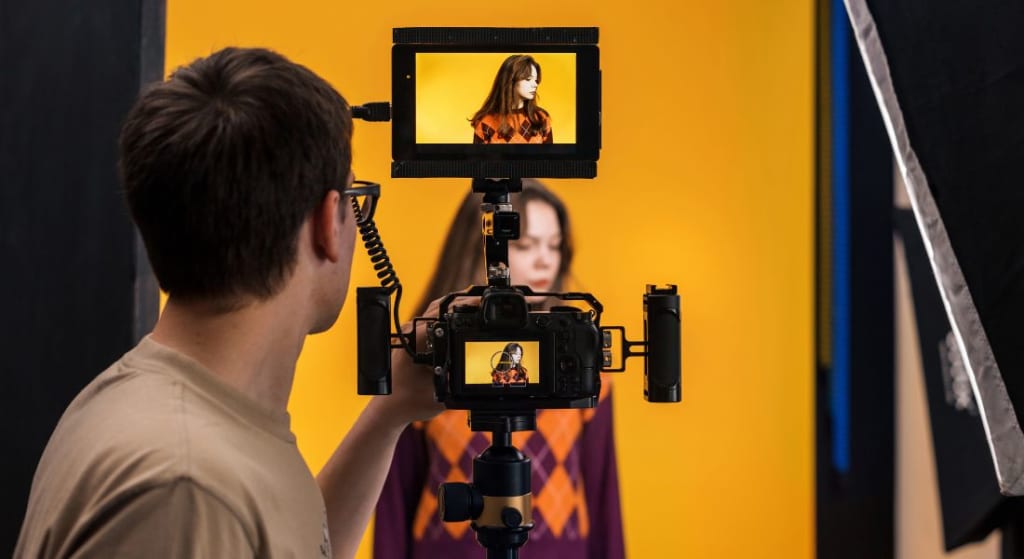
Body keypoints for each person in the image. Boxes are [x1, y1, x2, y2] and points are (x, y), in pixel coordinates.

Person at [15, 47, 441, 559]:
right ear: (329, 222)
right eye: (356, 200)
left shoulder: (190, 424)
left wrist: (389, 413)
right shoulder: (185, 488)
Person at [373, 180, 625, 559]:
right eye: (525, 245)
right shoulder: (426, 360)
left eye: (554, 245)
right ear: (478, 247)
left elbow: (604, 500)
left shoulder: (586, 367)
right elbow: (393, 502)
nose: (545, 260)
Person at [471, 54, 553, 144]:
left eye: (536, 80)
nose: (535, 85)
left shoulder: (541, 117)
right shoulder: (485, 121)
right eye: (528, 79)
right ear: (511, 80)